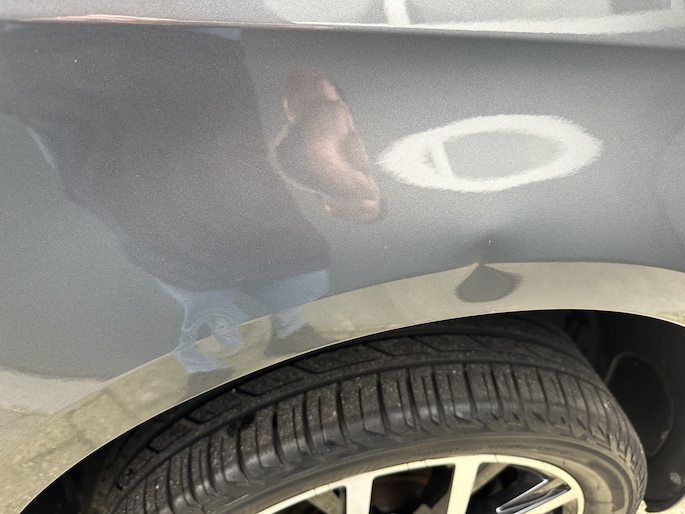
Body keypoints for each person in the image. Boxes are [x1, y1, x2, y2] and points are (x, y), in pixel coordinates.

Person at [0, 23, 382, 371]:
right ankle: (230, 341)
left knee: (161, 202)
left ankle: (232, 341)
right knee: (181, 201)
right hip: (134, 47)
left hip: (61, 54)